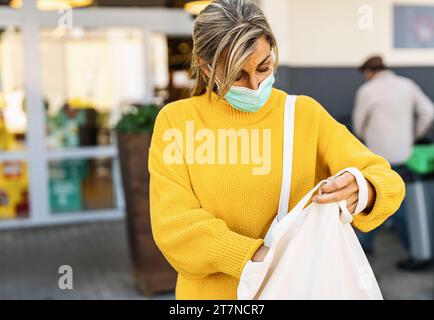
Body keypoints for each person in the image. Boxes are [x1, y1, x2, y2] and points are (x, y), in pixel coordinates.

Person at [149, 0, 405, 300]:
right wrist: (259, 257)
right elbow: (173, 225)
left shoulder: (304, 115)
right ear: (205, 69)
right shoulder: (176, 122)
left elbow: (387, 179)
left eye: (263, 67)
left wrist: (365, 188)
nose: (256, 85)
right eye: (237, 76)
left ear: (273, 54)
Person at [353, 55, 434, 270]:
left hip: (376, 158)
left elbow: (359, 126)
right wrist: (412, 137)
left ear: (369, 72)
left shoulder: (367, 91)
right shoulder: (407, 85)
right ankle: (412, 249)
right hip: (403, 155)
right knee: (401, 203)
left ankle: (414, 254)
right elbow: (429, 112)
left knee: (372, 201)